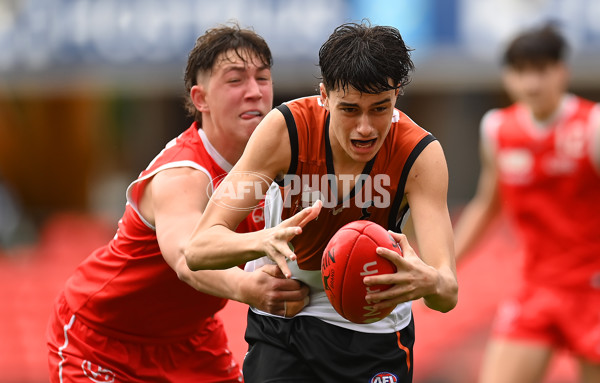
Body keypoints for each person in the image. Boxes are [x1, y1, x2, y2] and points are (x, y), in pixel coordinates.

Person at [184, 21, 458, 383]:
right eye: (349, 109)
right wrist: (260, 241)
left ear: (397, 95)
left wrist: (427, 282)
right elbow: (199, 249)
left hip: (373, 327)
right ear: (324, 95)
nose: (365, 128)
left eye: (380, 108)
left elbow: (447, 293)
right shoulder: (285, 131)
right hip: (285, 321)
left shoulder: (419, 154)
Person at [46, 23, 310, 383]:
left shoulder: (281, 162)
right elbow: (188, 258)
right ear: (200, 99)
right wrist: (248, 288)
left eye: (262, 78)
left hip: (190, 342)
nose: (254, 92)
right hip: (103, 341)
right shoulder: (183, 173)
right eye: (235, 80)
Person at [453, 24, 600, 383]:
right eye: (521, 72)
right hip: (536, 289)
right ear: (507, 77)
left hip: (593, 292)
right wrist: (447, 263)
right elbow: (488, 205)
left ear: (562, 71)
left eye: (542, 70)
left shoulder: (592, 126)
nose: (532, 83)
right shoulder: (497, 130)